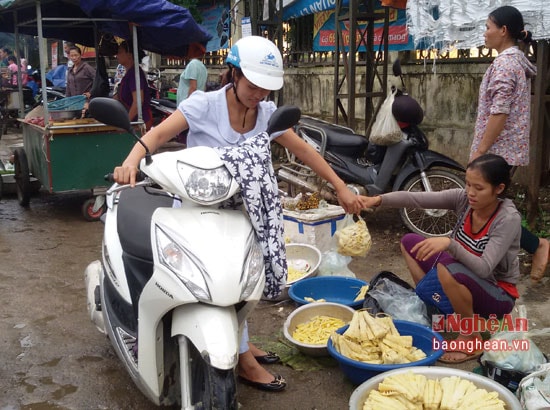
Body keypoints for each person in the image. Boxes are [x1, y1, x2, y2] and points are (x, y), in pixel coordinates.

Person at [112, 36, 363, 392]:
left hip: (243, 212)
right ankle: (242, 358)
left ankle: (239, 342)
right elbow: (157, 134)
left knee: (247, 279)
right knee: (217, 282)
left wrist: (339, 186)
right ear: (234, 73)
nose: (258, 94)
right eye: (252, 85)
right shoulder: (203, 105)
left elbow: (304, 151)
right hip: (197, 211)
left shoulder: (265, 114)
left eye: (265, 88)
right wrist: (130, 162)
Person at [359, 154, 521, 363]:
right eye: (468, 184)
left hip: (497, 293)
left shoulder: (507, 219)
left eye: (478, 188)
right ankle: (434, 306)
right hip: (460, 275)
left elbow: (484, 268)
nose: (470, 192)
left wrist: (449, 244)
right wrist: (378, 199)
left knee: (446, 267)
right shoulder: (463, 199)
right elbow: (415, 199)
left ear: (498, 189)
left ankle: (471, 337)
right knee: (411, 243)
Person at [469, 5, 549, 283]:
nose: (485, 33)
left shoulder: (505, 64)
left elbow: (499, 112)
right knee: (494, 209)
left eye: (488, 27)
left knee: (491, 210)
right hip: (506, 151)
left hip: (497, 152)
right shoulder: (514, 61)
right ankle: (502, 259)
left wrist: (480, 152)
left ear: (503, 31)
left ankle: (536, 247)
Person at [114, 40, 153, 130]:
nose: (117, 55)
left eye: (120, 52)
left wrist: (126, 123)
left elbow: (138, 102)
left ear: (130, 54)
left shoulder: (134, 74)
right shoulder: (128, 73)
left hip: (140, 122)